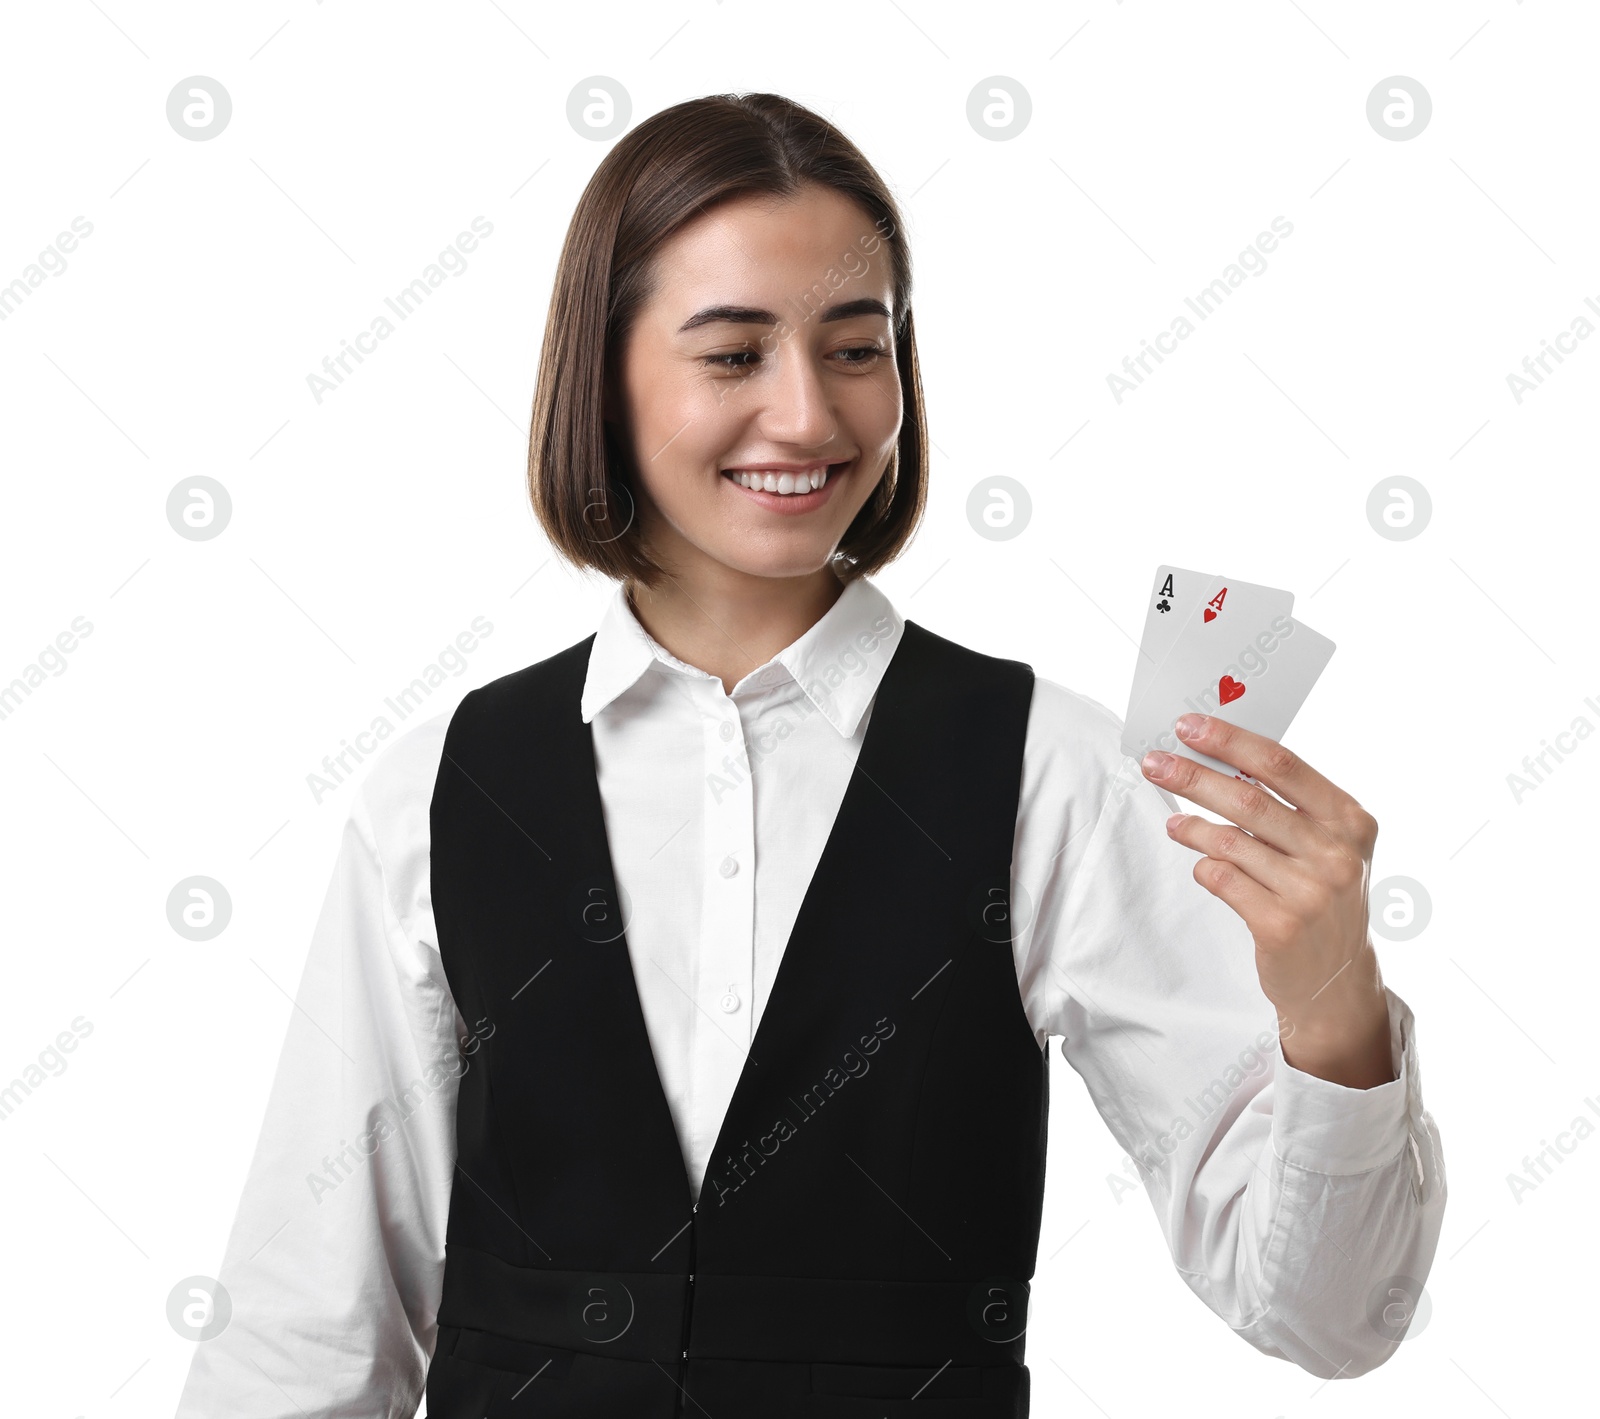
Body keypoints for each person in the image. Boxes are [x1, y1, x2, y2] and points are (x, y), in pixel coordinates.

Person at [175, 92, 1445, 1418]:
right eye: (733, 356)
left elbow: (1326, 1319)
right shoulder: (444, 785)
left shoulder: (1049, 774)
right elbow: (307, 1331)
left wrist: (1331, 1012)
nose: (808, 416)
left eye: (857, 348)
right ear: (602, 374)